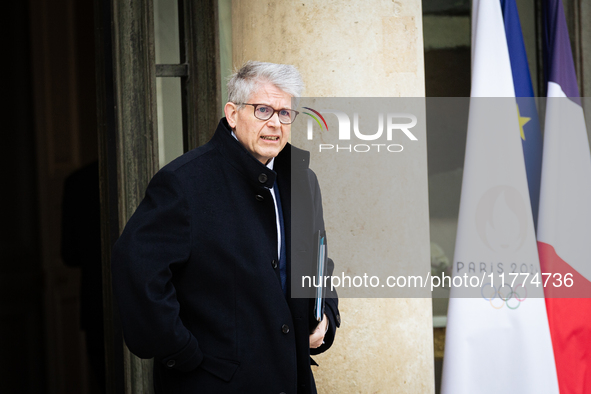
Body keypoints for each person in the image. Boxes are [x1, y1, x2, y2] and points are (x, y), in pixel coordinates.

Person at [111, 61, 340, 393]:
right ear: (233, 114)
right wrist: (181, 353)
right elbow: (136, 268)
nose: (275, 123)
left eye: (285, 113)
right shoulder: (184, 182)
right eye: (263, 110)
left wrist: (327, 315)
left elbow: (319, 261)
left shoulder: (303, 180)